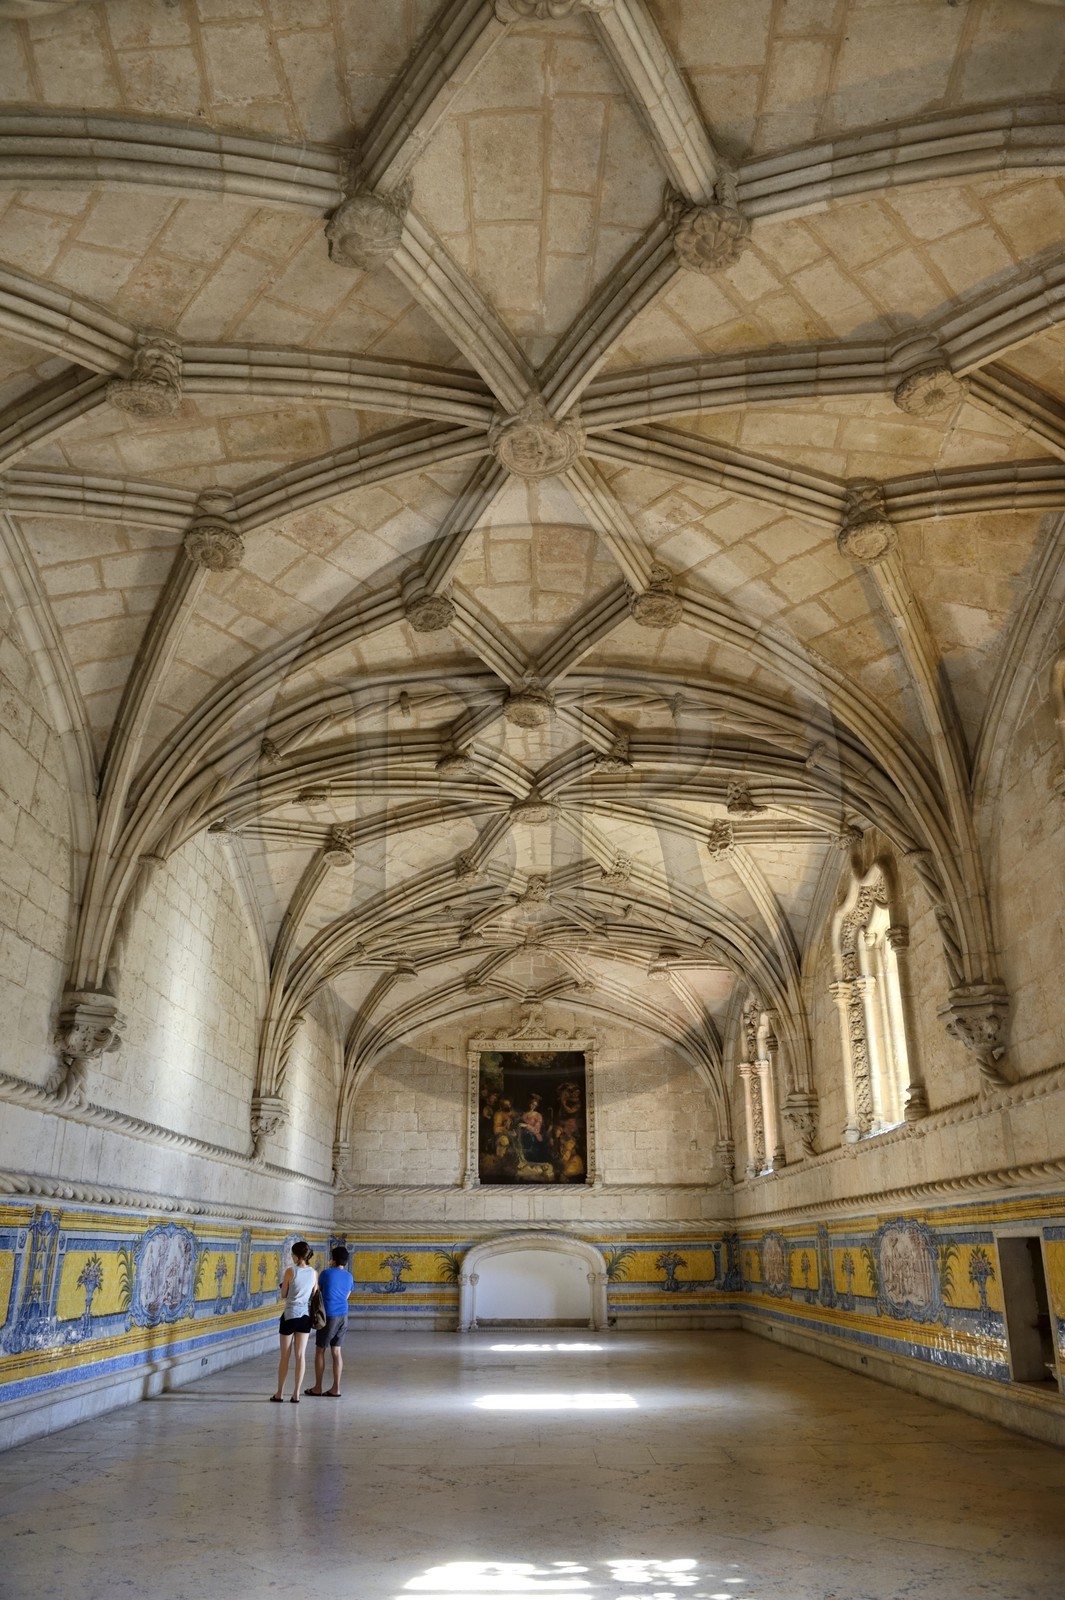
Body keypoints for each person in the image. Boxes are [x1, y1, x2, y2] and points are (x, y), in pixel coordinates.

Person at [305, 1245, 355, 1398]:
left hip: (329, 1316)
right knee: (336, 1351)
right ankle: (336, 1388)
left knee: (320, 1350)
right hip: (343, 1316)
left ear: (333, 1259)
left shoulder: (326, 1274)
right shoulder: (349, 1276)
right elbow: (346, 1296)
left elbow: (317, 1291)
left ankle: (318, 1387)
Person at [271, 1240, 317, 1403]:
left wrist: (286, 1286)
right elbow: (313, 1294)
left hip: (289, 1316)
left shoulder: (291, 1271)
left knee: (285, 1356)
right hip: (304, 1318)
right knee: (300, 1356)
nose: (291, 1256)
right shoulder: (313, 1272)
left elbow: (284, 1294)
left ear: (297, 1256)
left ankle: (279, 1393)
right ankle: (296, 1394)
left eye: (292, 1254)